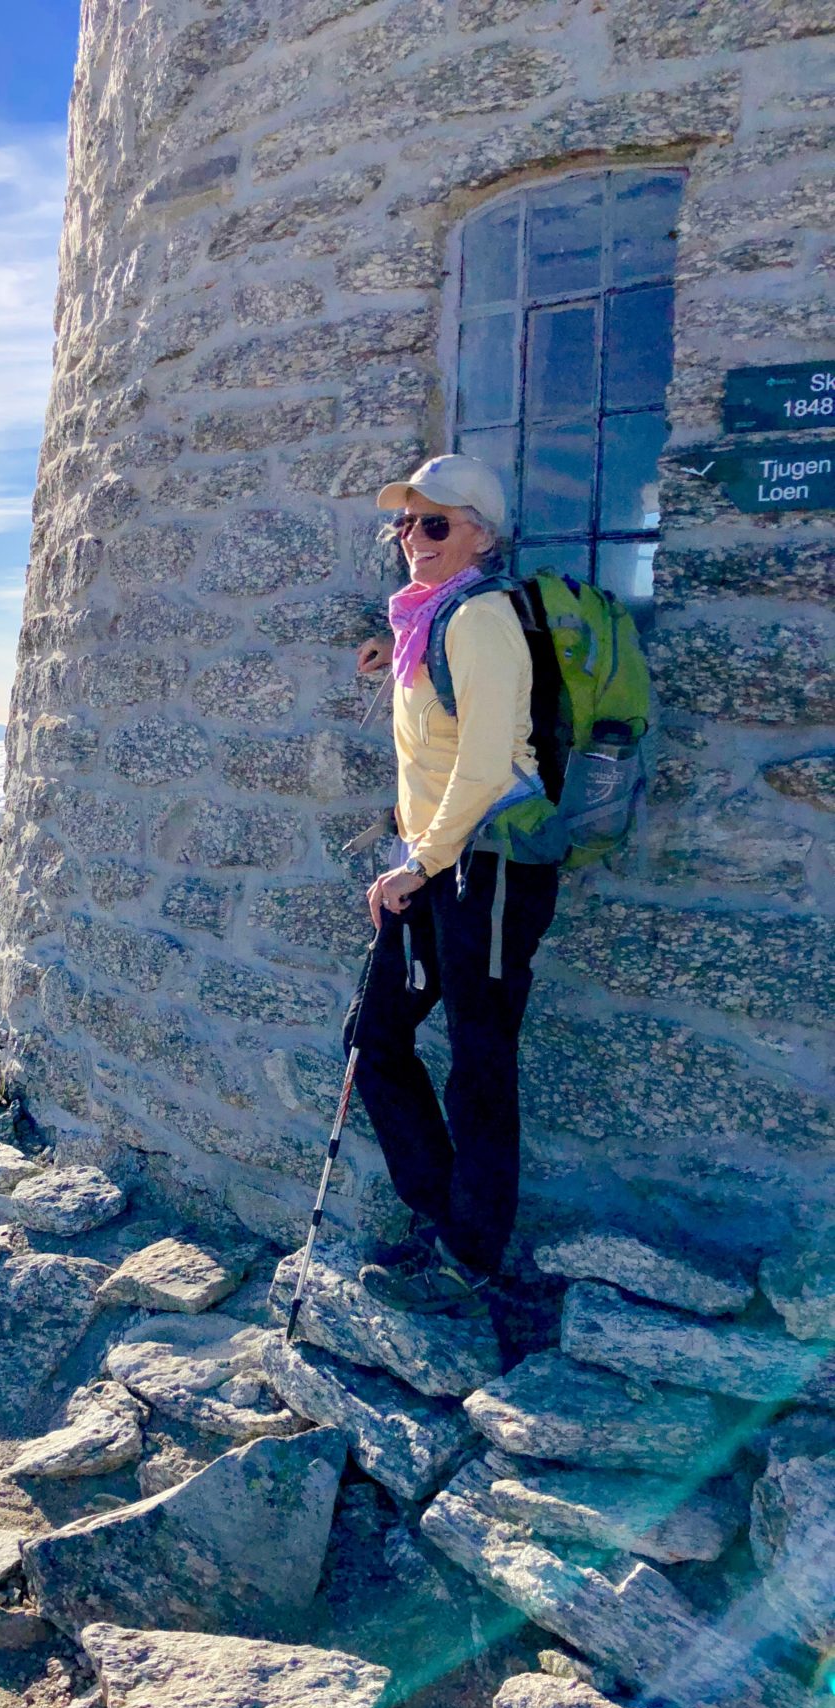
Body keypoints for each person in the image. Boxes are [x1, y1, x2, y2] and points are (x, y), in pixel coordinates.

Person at [343, 453, 559, 1318]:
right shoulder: (428, 620)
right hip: (439, 859)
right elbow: (440, 729)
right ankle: (444, 1218)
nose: (414, 539)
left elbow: (486, 762)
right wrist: (388, 656)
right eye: (405, 524)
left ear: (480, 534)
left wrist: (417, 864)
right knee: (374, 1036)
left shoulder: (482, 619)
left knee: (479, 1057)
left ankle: (472, 1253)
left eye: (435, 524)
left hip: (491, 863)